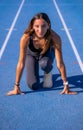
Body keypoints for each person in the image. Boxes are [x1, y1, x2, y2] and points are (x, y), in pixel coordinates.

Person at [7, 12, 77, 96]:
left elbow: (60, 63)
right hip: (31, 55)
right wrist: (16, 86)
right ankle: (34, 69)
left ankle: (47, 72)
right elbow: (21, 63)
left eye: (43, 26)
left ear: (48, 25)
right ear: (32, 26)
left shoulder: (55, 37)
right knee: (33, 86)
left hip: (46, 55)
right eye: (37, 26)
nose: (40, 30)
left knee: (45, 64)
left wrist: (66, 84)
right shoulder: (25, 38)